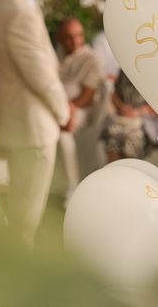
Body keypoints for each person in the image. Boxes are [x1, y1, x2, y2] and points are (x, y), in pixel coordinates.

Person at [0, 0, 74, 246]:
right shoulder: (18, 12)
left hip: (21, 128)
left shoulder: (9, 7)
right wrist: (65, 113)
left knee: (21, 214)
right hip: (33, 130)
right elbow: (40, 76)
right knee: (26, 219)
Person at [56, 18, 103, 200]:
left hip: (81, 110)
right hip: (56, 107)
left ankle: (72, 186)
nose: (75, 41)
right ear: (60, 38)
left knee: (63, 135)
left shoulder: (91, 58)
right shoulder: (57, 54)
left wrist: (68, 108)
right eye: (69, 38)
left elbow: (87, 96)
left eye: (78, 36)